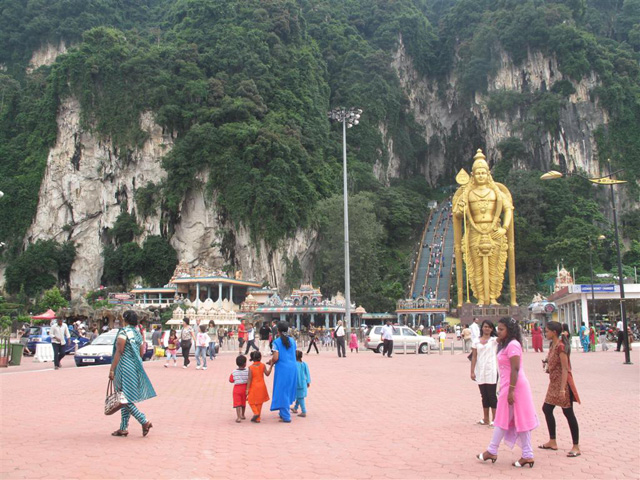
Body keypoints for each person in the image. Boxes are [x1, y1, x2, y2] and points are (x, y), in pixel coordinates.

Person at [452, 150, 516, 307]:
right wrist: (461, 208)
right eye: (478, 173)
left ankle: (493, 297)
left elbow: (508, 209)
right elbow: (458, 214)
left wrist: (504, 228)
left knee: (495, 266)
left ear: (488, 174)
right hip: (474, 232)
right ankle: (480, 297)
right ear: (473, 175)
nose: (481, 175)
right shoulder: (468, 193)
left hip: (494, 230)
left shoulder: (497, 193)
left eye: (483, 172)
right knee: (476, 267)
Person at [477, 318, 538, 468]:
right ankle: (527, 454)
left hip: (515, 387)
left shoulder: (513, 345)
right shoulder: (504, 344)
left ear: (509, 330)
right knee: (517, 419)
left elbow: (515, 369)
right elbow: (488, 342)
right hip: (507, 385)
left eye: (502, 329)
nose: (499, 331)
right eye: (498, 328)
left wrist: (511, 390)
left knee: (503, 419)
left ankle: (492, 450)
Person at [109, 310, 156, 437]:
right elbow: (141, 353)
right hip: (136, 367)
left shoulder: (123, 332)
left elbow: (119, 351)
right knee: (126, 396)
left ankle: (143, 420)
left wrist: (112, 369)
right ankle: (123, 427)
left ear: (125, 320)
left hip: (124, 368)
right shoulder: (138, 334)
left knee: (124, 399)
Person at [539, 321, 582, 457]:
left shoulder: (561, 346)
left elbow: (565, 368)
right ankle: (552, 441)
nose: (545, 333)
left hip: (563, 384)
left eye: (547, 331)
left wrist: (563, 389)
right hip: (553, 383)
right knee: (547, 409)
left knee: (568, 413)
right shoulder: (553, 345)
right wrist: (547, 361)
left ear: (554, 332)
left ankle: (576, 446)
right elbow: (553, 358)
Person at [267, 321, 297, 423]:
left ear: (278, 331)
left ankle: (286, 416)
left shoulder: (276, 342)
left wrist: (271, 362)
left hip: (282, 369)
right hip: (293, 368)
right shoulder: (292, 341)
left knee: (281, 390)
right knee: (287, 389)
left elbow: (276, 357)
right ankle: (283, 411)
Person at [470, 320, 498, 426]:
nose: (486, 329)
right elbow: (474, 356)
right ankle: (486, 418)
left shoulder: (494, 340)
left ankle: (495, 419)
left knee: (492, 395)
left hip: (491, 370)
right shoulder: (476, 341)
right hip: (480, 370)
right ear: (482, 328)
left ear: (492, 329)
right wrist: (472, 371)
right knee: (484, 395)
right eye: (485, 326)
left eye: (489, 327)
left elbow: (504, 336)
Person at [247, 351, 272, 423]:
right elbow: (267, 374)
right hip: (262, 386)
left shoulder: (250, 368)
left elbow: (249, 379)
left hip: (253, 386)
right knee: (259, 402)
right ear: (260, 358)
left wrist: (247, 389)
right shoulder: (263, 365)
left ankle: (256, 413)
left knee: (251, 401)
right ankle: (258, 418)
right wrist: (271, 366)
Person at [291, 350, 311, 418]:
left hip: (298, 383)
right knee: (299, 396)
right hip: (304, 382)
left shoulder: (295, 364)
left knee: (300, 397)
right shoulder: (304, 364)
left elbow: (296, 375)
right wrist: (308, 381)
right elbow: (307, 373)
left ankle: (304, 411)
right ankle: (295, 408)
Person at [229, 355, 248, 423]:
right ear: (245, 364)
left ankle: (238, 417)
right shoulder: (247, 371)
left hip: (237, 389)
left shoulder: (234, 372)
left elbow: (231, 380)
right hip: (245, 388)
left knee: (237, 403)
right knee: (243, 402)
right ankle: (243, 414)